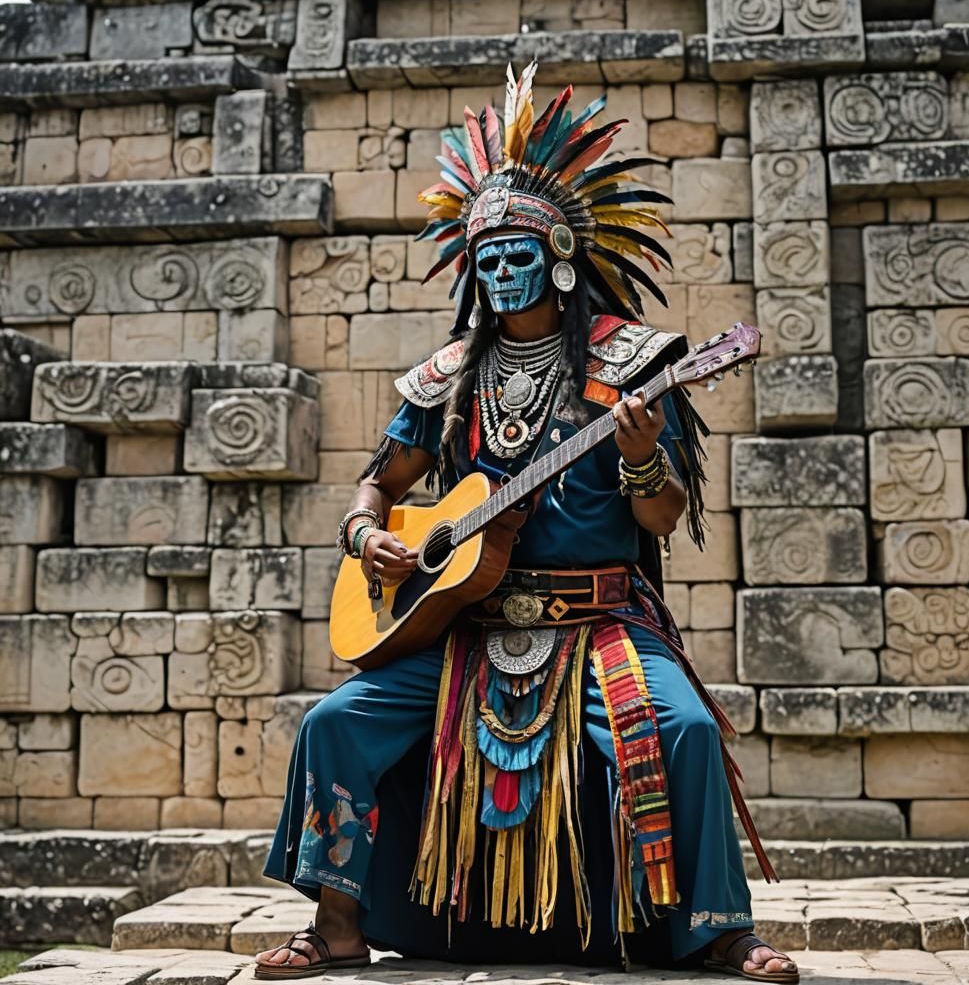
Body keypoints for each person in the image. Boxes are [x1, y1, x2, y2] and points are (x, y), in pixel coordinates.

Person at [256, 63, 799, 984]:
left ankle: (720, 929)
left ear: (558, 259)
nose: (501, 271)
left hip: (599, 624)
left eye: (518, 254)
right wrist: (365, 538)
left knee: (687, 731)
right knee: (335, 721)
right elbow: (374, 484)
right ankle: (336, 925)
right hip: (460, 621)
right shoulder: (449, 375)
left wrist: (635, 455)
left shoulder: (634, 365)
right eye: (486, 258)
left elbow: (662, 515)